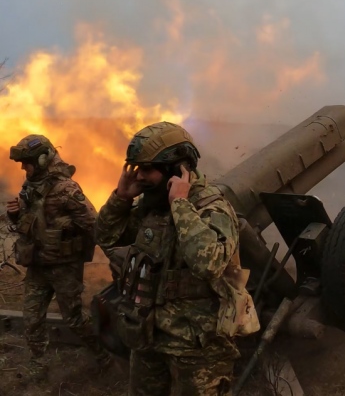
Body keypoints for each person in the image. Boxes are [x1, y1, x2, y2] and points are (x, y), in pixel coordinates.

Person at [95, 121, 257, 396]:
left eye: (147, 169)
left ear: (176, 168)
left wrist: (180, 205)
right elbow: (107, 238)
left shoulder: (212, 207)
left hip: (197, 345)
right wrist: (120, 199)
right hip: (148, 333)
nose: (140, 177)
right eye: (137, 169)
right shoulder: (152, 208)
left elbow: (208, 264)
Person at [5, 134, 110, 379]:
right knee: (31, 318)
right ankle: (38, 363)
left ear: (42, 159)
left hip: (64, 268)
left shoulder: (67, 189)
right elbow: (28, 222)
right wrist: (15, 215)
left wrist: (114, 255)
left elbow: (94, 225)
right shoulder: (30, 186)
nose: (23, 167)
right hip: (38, 265)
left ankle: (103, 355)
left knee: (73, 319)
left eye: (27, 162)